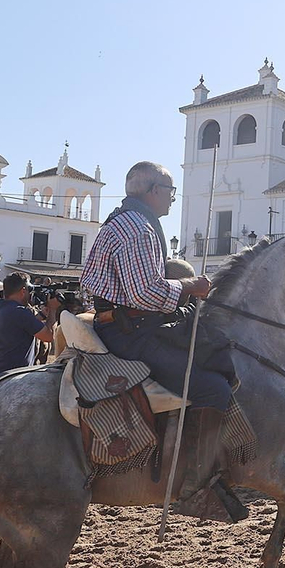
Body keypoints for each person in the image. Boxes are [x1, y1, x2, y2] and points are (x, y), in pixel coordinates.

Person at [80, 160, 248, 519]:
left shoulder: (116, 221)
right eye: (170, 192)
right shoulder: (139, 228)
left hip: (121, 324)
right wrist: (193, 286)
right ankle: (195, 485)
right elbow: (146, 294)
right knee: (213, 388)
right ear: (153, 191)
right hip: (134, 333)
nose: (172, 199)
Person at [0, 273, 59, 381]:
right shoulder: (21, 313)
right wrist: (53, 310)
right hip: (14, 380)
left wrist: (41, 315)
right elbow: (48, 336)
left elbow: (16, 327)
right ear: (23, 291)